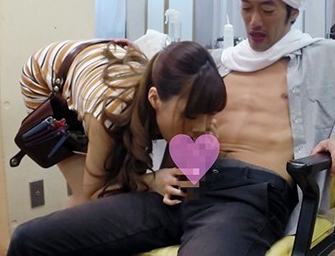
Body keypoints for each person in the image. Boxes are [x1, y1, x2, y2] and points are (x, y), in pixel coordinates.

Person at [7, 0, 335, 256]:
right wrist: (134, 53)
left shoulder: (325, 57)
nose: (254, 20)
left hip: (249, 197)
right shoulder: (219, 62)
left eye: (268, 9)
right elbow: (160, 85)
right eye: (246, 7)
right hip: (179, 185)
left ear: (293, 12)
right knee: (31, 240)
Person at [18, 38, 226, 205]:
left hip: (102, 65)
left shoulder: (185, 105)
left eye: (210, 114)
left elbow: (177, 180)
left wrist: (199, 154)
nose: (200, 127)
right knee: (83, 198)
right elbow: (94, 193)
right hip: (46, 76)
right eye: (190, 116)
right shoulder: (108, 114)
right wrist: (151, 181)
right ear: (154, 99)